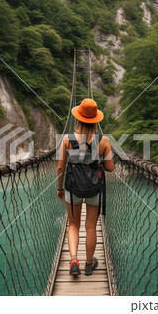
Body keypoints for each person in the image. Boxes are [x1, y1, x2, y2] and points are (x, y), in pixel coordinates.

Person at [56, 98, 114, 276]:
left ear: (78, 118)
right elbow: (110, 168)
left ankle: (74, 260)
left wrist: (60, 188)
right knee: (91, 227)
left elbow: (60, 167)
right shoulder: (103, 140)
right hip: (94, 189)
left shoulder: (67, 139)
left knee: (73, 224)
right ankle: (89, 263)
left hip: (73, 189)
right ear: (95, 120)